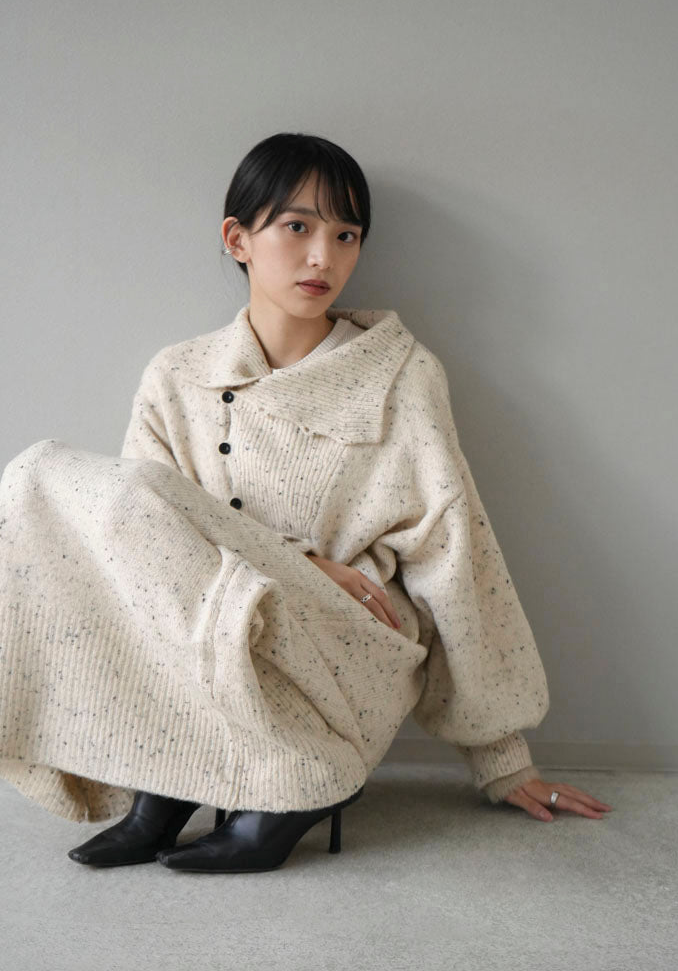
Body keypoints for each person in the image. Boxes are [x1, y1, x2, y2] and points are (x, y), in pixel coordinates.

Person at [0, 132, 610, 875]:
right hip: (210, 633)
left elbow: (455, 553)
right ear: (238, 239)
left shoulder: (400, 375)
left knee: (135, 495)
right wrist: (303, 561)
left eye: (346, 235)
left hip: (346, 641)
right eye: (297, 227)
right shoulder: (176, 375)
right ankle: (166, 779)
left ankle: (300, 781)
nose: (324, 257)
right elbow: (144, 548)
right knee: (47, 477)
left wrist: (503, 759)